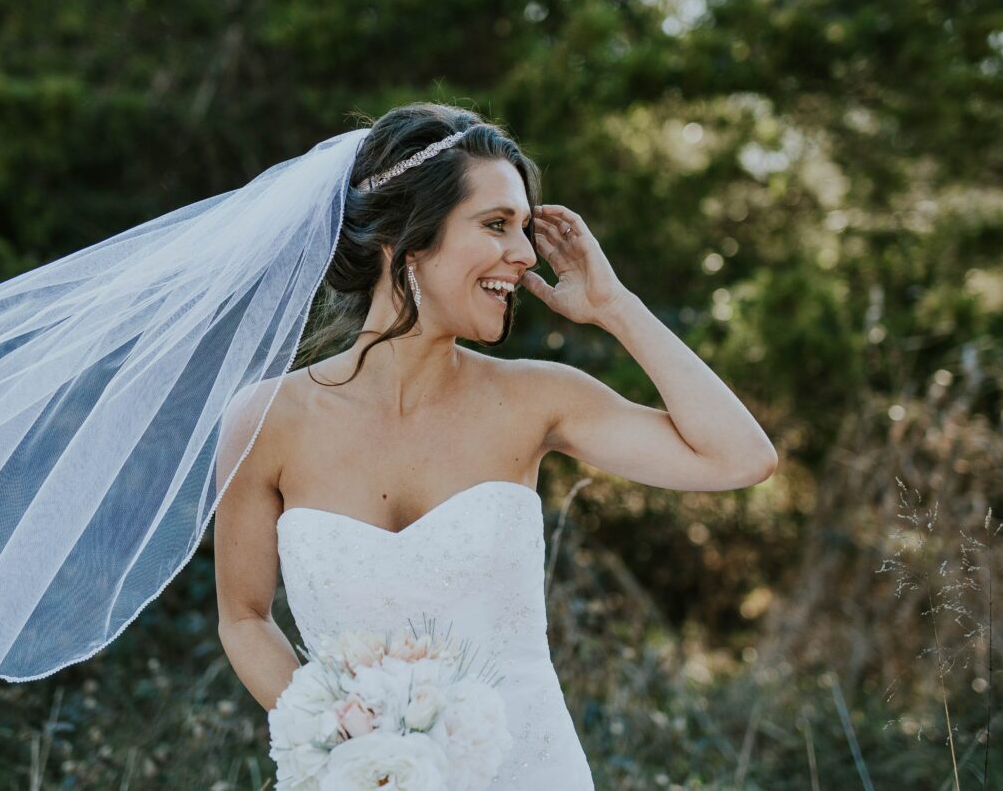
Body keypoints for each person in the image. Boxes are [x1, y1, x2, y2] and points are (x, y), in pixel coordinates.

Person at [212, 102, 779, 787]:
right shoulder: (266, 419)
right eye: (496, 224)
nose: (527, 253)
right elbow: (244, 618)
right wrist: (349, 749)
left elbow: (741, 458)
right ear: (408, 239)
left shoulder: (537, 400)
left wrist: (614, 307)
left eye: (523, 226)